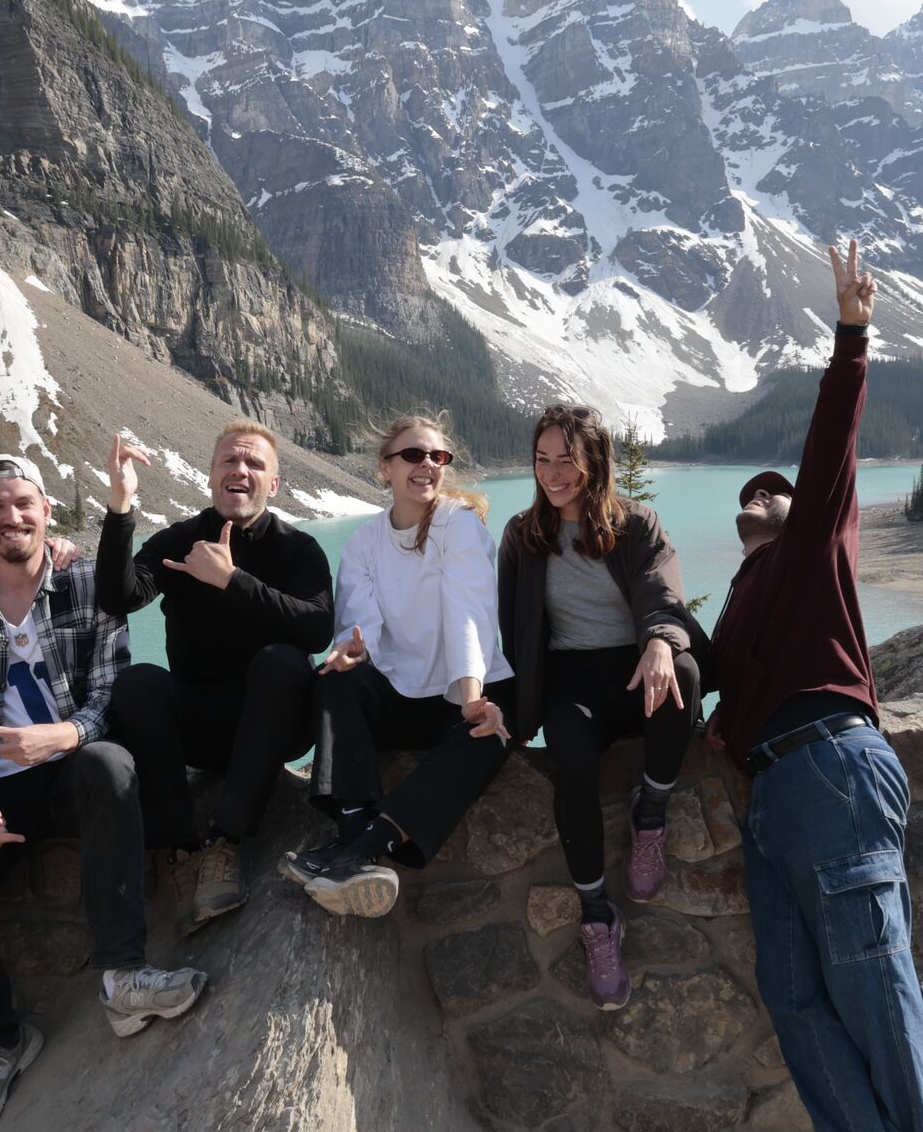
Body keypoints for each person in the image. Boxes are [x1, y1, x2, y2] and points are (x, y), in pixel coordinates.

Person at [706, 240, 923, 1132]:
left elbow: (831, 445)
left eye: (777, 490)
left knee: (871, 970)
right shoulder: (739, 605)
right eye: (752, 493)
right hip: (772, 794)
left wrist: (851, 336)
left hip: (834, 763)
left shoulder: (814, 554)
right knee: (793, 987)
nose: (762, 493)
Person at [0, 456, 206, 1132]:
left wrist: (64, 735)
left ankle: (123, 977)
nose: (11, 516)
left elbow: (111, 689)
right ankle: (1, 1041)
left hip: (72, 767)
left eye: (24, 503)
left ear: (47, 511)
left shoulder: (86, 585)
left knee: (110, 766)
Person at [497, 403, 707, 1010]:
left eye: (567, 459)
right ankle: (596, 915)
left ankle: (650, 814)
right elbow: (510, 628)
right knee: (570, 760)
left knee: (683, 674)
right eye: (542, 459)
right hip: (570, 679)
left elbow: (661, 588)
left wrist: (661, 640)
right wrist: (505, 704)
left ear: (595, 462)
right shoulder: (522, 535)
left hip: (635, 662)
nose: (552, 473)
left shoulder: (635, 523)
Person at [97, 421, 333, 932]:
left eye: (254, 464)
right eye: (229, 460)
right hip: (201, 725)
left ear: (273, 484)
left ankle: (226, 842)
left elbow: (317, 629)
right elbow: (118, 598)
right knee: (137, 683)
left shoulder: (299, 548)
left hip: (277, 726)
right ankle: (182, 848)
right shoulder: (182, 539)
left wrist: (231, 581)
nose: (239, 470)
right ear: (210, 475)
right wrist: (120, 506)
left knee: (284, 660)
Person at [281, 415, 514, 916]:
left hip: (462, 690)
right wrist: (352, 651)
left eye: (437, 456)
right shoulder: (364, 543)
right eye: (413, 454)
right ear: (384, 467)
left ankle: (361, 850)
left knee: (488, 734)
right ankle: (353, 834)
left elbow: (467, 612)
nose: (427, 464)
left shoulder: (458, 524)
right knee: (334, 679)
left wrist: (472, 697)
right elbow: (360, 626)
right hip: (400, 695)